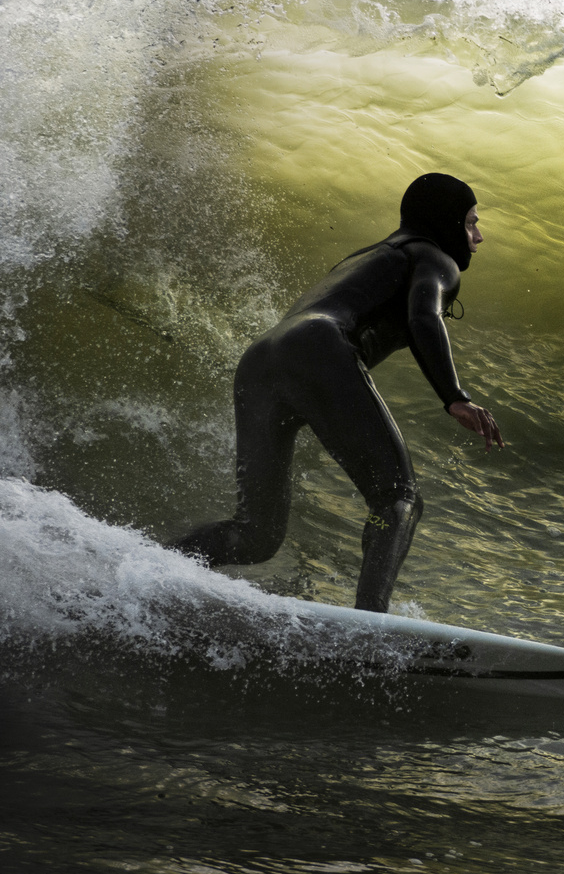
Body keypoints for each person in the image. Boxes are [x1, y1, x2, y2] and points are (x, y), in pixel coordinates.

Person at [168, 172, 503, 612]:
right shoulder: (434, 256)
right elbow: (425, 316)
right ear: (445, 223)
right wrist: (454, 395)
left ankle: (152, 568)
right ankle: (370, 625)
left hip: (260, 363)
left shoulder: (365, 258)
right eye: (470, 222)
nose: (477, 237)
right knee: (399, 498)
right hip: (316, 348)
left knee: (257, 534)